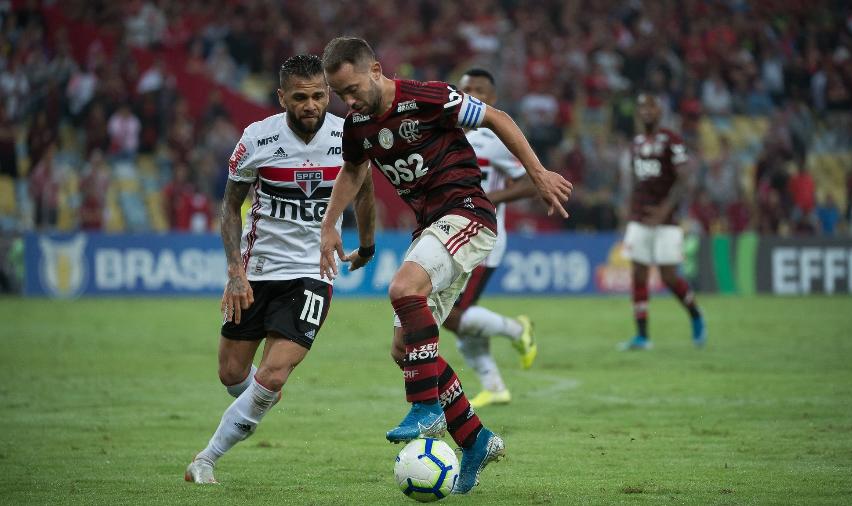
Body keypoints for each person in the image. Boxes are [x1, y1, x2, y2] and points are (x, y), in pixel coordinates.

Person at [318, 37, 572, 494]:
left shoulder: (426, 96)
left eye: (353, 89)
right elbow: (355, 173)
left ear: (375, 69)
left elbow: (496, 117)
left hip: (467, 212)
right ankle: (475, 441)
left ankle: (425, 409)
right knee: (406, 349)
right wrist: (335, 227)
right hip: (430, 227)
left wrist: (537, 174)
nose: (349, 101)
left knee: (403, 289)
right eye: (341, 95)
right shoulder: (357, 126)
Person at [185, 54, 376, 484]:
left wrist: (367, 245)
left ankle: (206, 459)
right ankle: (258, 398)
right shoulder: (257, 138)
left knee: (272, 374)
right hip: (258, 270)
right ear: (281, 97)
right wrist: (235, 271)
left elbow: (365, 192)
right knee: (232, 374)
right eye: (301, 97)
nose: (311, 105)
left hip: (313, 272)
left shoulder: (348, 135)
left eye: (319, 96)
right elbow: (230, 207)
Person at [441, 68, 537, 409]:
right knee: (456, 317)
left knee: (450, 315)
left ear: (492, 99)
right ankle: (494, 386)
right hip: (451, 237)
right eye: (465, 88)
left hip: (486, 240)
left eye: (479, 90)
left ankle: (516, 330)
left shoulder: (495, 138)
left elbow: (531, 181)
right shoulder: (446, 133)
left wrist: (490, 197)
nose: (471, 94)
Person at [619, 93, 706, 351]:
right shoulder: (636, 143)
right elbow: (637, 181)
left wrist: (664, 209)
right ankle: (642, 336)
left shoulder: (671, 140)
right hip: (640, 218)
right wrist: (629, 209)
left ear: (660, 111)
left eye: (651, 107)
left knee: (668, 277)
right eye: (642, 107)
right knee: (638, 274)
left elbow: (684, 177)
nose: (646, 111)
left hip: (666, 220)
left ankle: (695, 314)